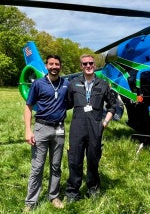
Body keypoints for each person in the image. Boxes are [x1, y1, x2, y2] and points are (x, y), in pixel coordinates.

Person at [66, 54, 117, 202]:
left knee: (93, 160)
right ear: (81, 66)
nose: (88, 66)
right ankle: (72, 193)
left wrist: (105, 123)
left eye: (91, 63)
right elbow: (67, 103)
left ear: (94, 65)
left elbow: (113, 106)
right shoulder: (73, 83)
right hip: (77, 128)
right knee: (75, 161)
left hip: (95, 128)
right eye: (85, 64)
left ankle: (93, 188)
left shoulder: (103, 84)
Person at [23, 55, 69, 211]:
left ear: (60, 66)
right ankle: (30, 202)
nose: (54, 66)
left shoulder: (66, 84)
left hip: (59, 129)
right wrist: (28, 130)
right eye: (51, 64)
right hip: (41, 128)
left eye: (57, 64)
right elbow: (28, 106)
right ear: (46, 65)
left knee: (56, 166)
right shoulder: (38, 84)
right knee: (37, 167)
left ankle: (54, 196)